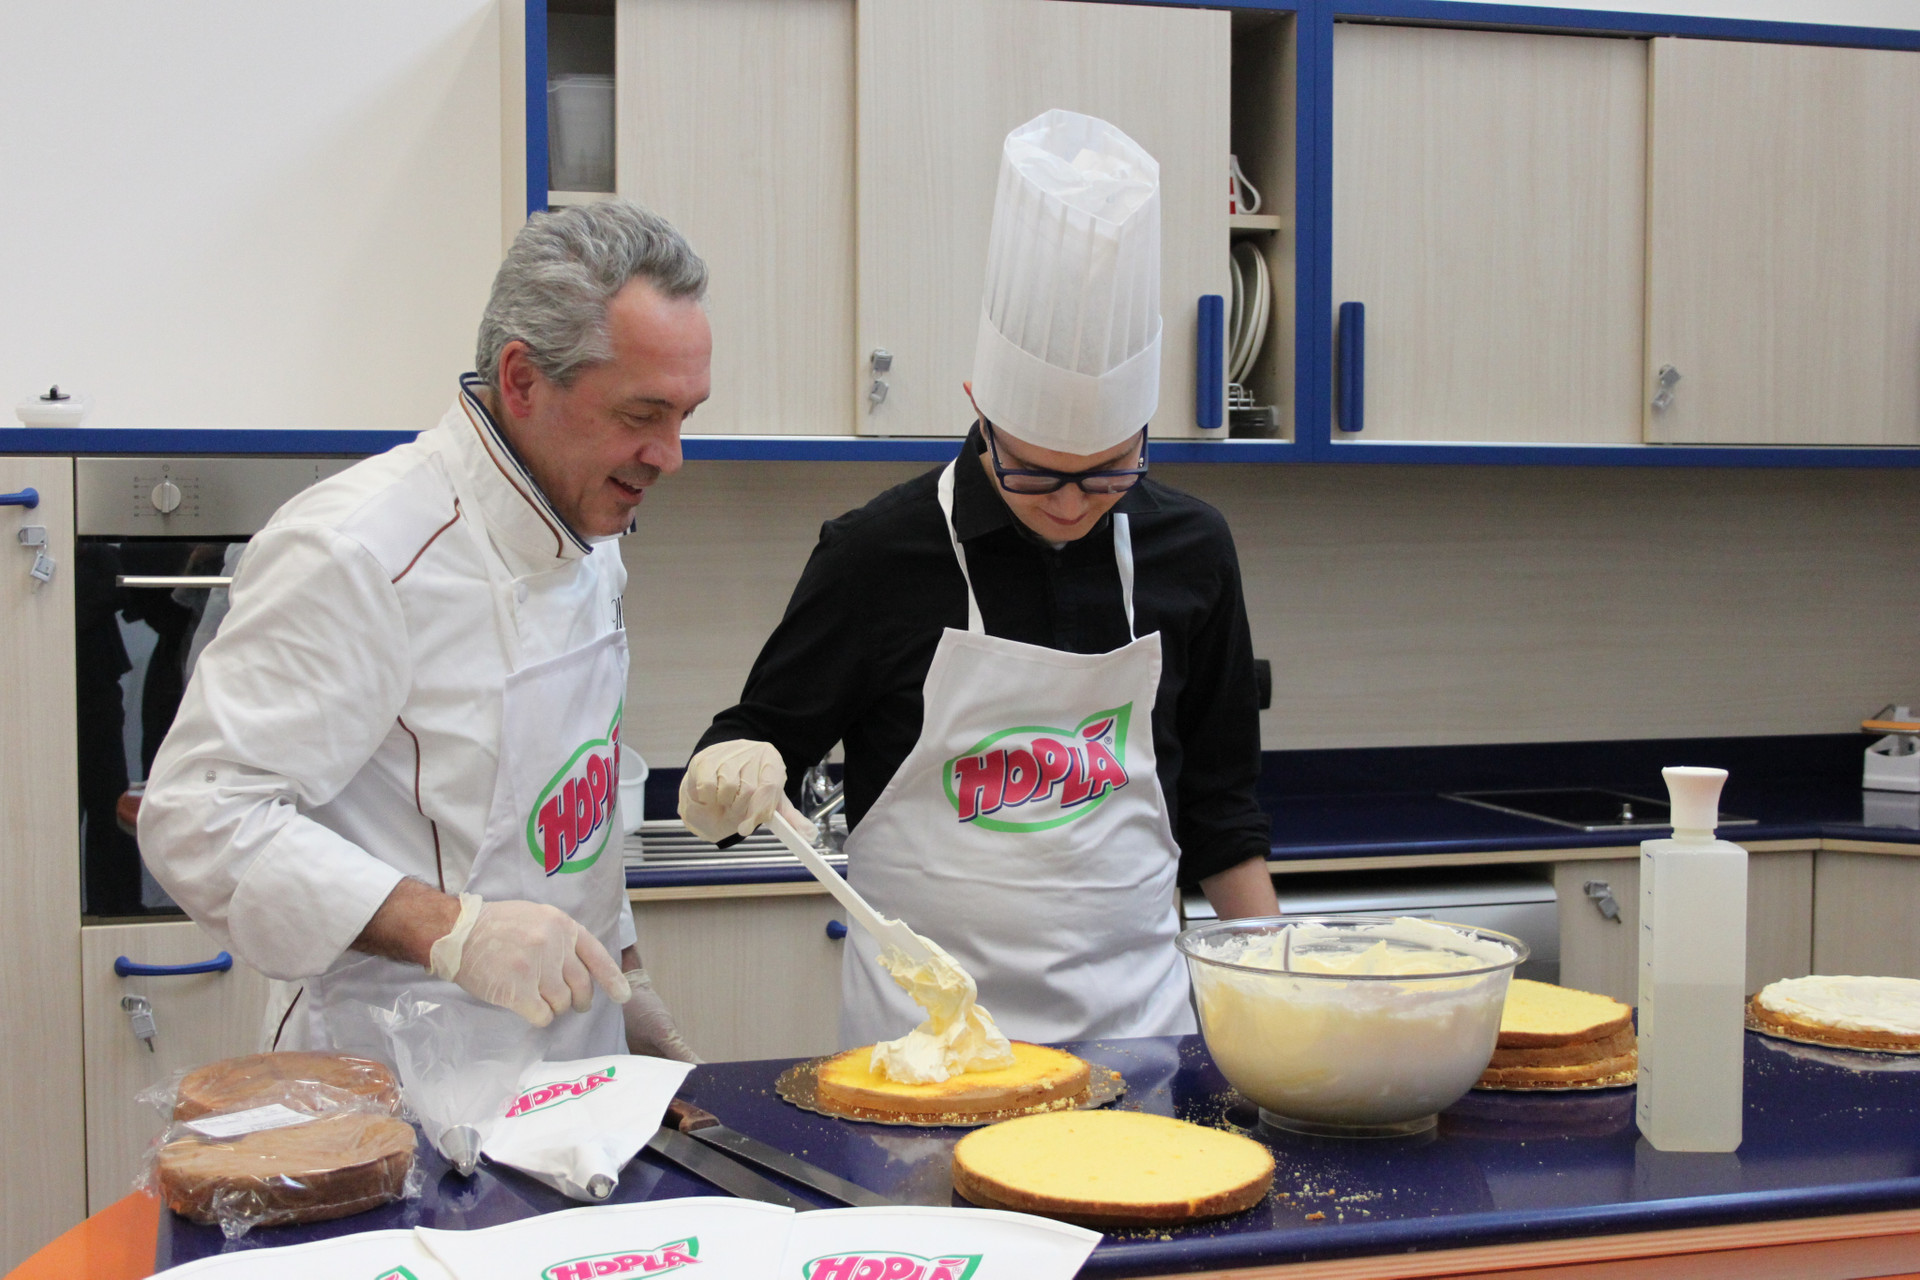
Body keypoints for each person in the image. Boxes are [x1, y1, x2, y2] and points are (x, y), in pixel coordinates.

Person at [680, 110, 1279, 1049]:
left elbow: (1220, 808)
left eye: (1112, 471)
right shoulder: (878, 555)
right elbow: (758, 742)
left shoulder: (1193, 548)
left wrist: (1275, 989)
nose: (1076, 503)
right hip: (923, 1059)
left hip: (1144, 1046)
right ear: (980, 410)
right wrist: (733, 765)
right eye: (1039, 472)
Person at [141, 201, 706, 1061]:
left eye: (684, 416)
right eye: (641, 415)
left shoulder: (588, 536)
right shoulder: (360, 550)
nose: (670, 454)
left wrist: (628, 986)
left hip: (576, 1069)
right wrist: (451, 931)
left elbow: (567, 810)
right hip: (394, 1074)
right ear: (521, 380)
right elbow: (198, 818)